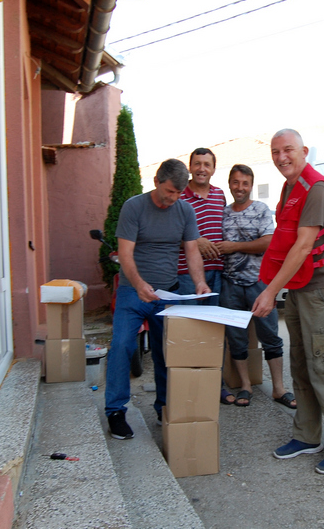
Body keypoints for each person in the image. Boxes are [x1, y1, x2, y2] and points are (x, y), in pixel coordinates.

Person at [252, 129, 324, 475]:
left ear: (304, 151)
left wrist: (270, 291)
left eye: (288, 150)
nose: (281, 157)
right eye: (275, 152)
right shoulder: (290, 187)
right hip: (302, 289)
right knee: (301, 363)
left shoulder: (315, 188)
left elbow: (302, 247)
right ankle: (307, 436)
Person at [105, 159, 210, 439]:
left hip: (169, 293)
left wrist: (199, 281)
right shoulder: (134, 207)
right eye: (168, 193)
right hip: (132, 292)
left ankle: (164, 407)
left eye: (177, 193)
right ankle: (115, 410)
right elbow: (125, 254)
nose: (172, 199)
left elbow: (191, 251)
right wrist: (139, 284)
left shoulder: (184, 210)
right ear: (155, 182)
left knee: (169, 354)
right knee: (121, 345)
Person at [215, 164, 296, 409]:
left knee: (270, 336)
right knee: (236, 339)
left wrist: (234, 246)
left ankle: (279, 388)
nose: (240, 187)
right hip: (230, 285)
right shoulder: (223, 212)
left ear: (251, 185)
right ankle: (245, 386)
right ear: (230, 183)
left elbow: (269, 242)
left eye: (245, 183)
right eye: (236, 182)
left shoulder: (260, 210)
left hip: (260, 284)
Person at [175, 147, 235, 404]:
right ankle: (188, 386)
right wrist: (194, 241)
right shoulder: (178, 196)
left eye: (207, 164)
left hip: (216, 274)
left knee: (213, 331)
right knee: (188, 331)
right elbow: (168, 231)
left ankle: (215, 384)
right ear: (190, 167)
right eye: (197, 164)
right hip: (187, 274)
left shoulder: (220, 195)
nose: (202, 168)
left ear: (213, 168)